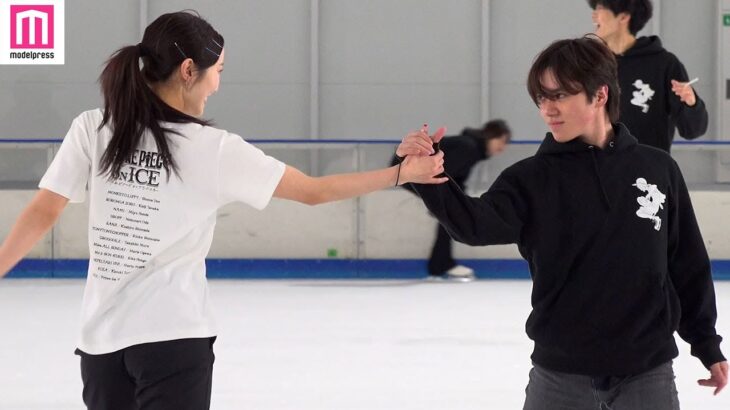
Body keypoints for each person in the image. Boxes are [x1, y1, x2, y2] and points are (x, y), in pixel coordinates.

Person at [0, 11, 445, 410]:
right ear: (189, 70)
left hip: (100, 349)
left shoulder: (93, 127)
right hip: (172, 342)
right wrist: (400, 174)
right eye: (219, 71)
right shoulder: (212, 149)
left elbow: (43, 210)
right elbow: (313, 191)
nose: (218, 85)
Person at [399, 35, 727, 409]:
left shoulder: (657, 169)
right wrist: (430, 179)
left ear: (600, 95)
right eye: (541, 98)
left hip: (647, 373)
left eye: (559, 96)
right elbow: (475, 225)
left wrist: (706, 344)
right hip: (559, 377)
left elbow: (687, 263)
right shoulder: (530, 179)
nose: (547, 109)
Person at [392, 120, 511, 281]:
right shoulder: (468, 148)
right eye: (502, 141)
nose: (503, 148)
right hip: (408, 171)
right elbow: (445, 173)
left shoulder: (471, 148)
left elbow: (453, 177)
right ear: (490, 136)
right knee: (450, 217)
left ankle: (440, 265)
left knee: (450, 218)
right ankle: (440, 265)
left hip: (411, 172)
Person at [589, 0, 707, 152]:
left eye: (600, 8)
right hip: (599, 168)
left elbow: (692, 130)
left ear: (623, 17)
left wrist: (692, 104)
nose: (594, 15)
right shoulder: (592, 64)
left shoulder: (664, 64)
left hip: (649, 170)